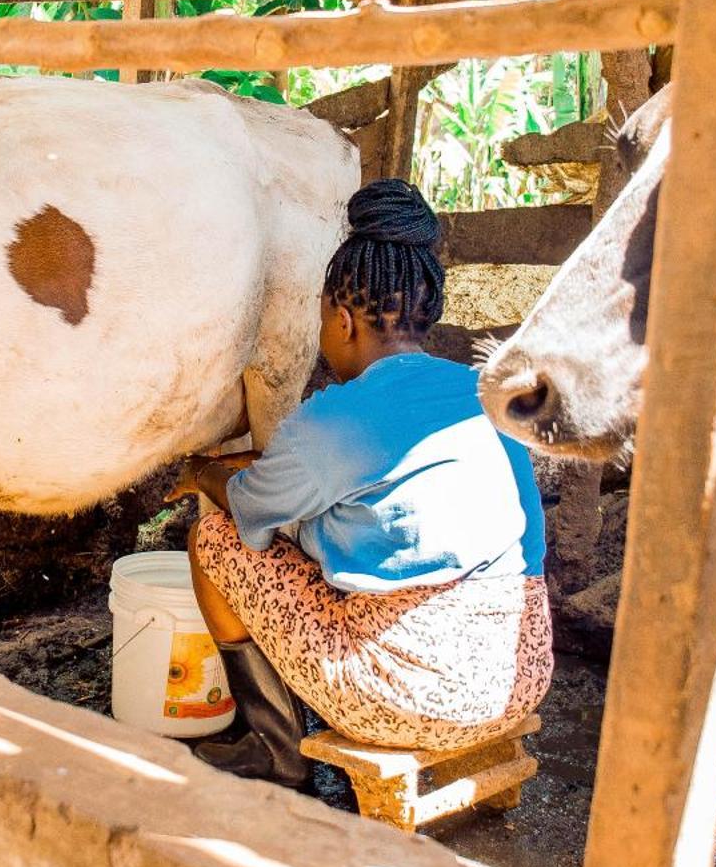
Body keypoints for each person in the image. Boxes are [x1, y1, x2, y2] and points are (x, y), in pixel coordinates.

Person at [170, 179, 551, 787]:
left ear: (342, 320)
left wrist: (202, 473)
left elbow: (248, 506)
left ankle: (277, 749)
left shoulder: (333, 419)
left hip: (406, 696)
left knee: (213, 540)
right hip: (519, 673)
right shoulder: (479, 392)